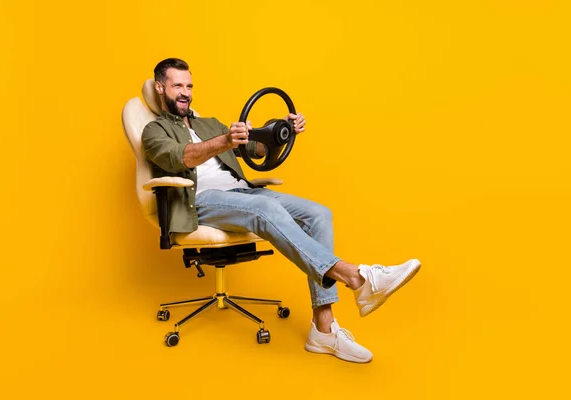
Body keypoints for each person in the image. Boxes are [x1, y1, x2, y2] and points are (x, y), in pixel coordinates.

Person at [142, 58, 421, 363]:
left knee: (319, 213)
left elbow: (255, 150)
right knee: (262, 206)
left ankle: (323, 331)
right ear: (160, 87)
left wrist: (283, 130)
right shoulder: (153, 131)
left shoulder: (209, 123)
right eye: (177, 85)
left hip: (243, 193)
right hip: (202, 201)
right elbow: (179, 157)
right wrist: (224, 141)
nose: (185, 92)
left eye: (189, 85)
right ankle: (358, 278)